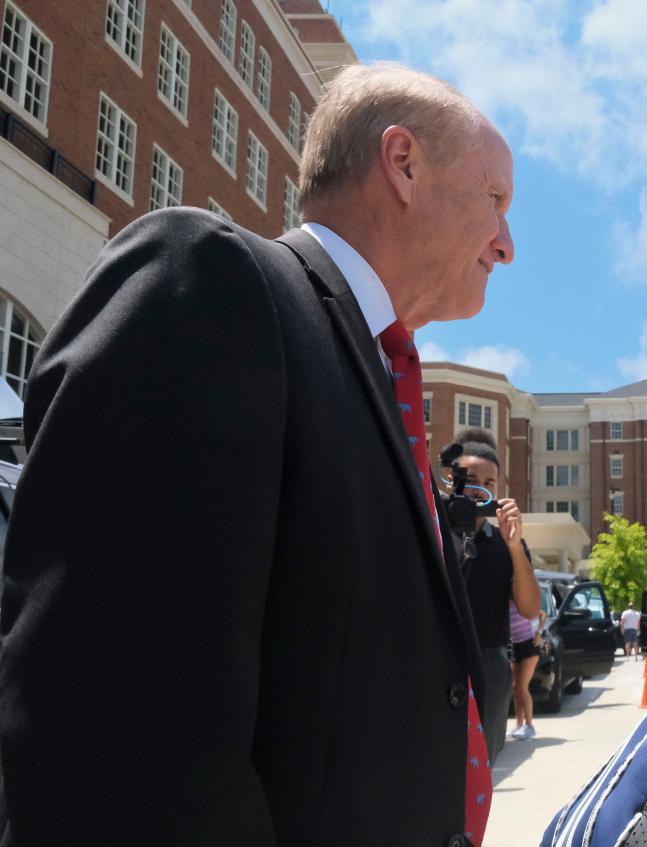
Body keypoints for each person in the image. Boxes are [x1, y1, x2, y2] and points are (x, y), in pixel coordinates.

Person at [0, 63, 513, 847]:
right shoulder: (206, 280)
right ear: (403, 163)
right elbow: (119, 742)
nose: (506, 246)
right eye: (496, 201)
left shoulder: (378, 376)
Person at [449, 428, 540, 761]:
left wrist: (515, 547)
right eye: (471, 478)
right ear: (452, 479)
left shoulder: (507, 542)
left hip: (489, 664)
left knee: (479, 770)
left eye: (489, 483)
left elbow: (530, 610)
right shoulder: (431, 529)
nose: (479, 489)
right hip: (435, 658)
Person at [509, 603, 545, 740]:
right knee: (516, 687)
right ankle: (519, 725)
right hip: (515, 645)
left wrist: (539, 633)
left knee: (522, 686)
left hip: (530, 644)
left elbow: (542, 615)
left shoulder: (520, 602)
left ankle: (529, 726)